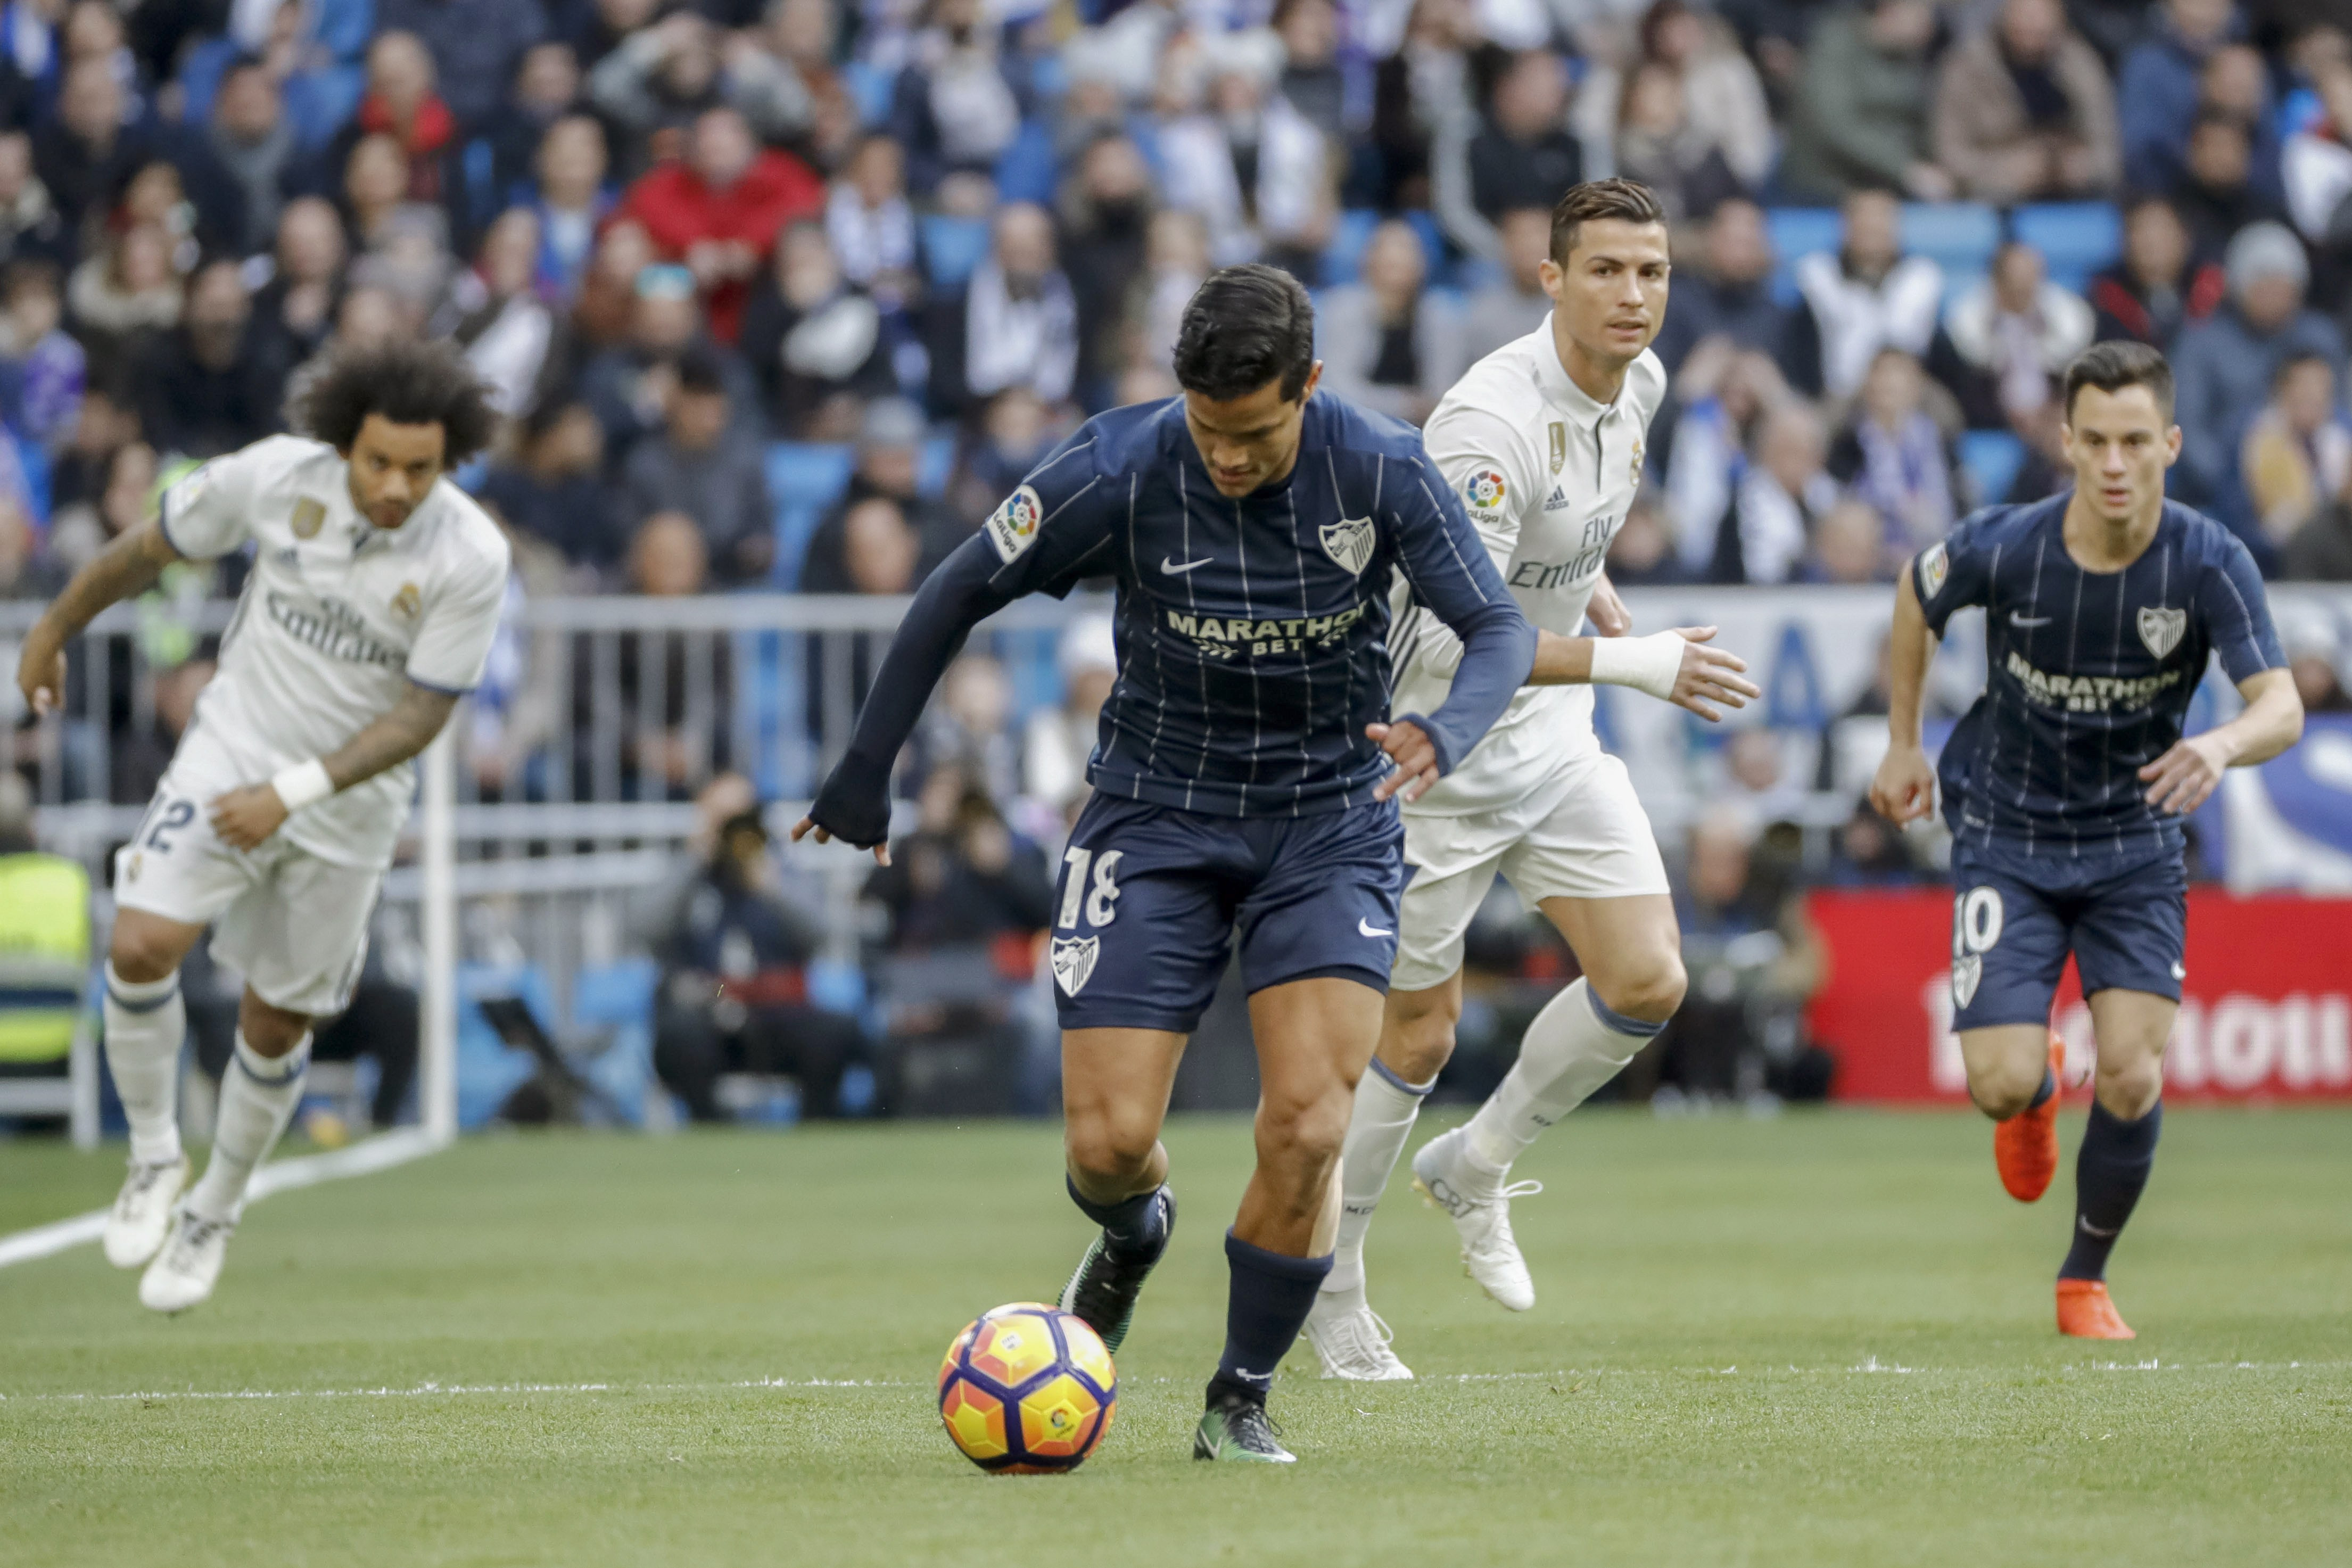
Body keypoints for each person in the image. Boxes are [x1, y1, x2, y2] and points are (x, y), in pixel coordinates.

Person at [793, 262, 1547, 1464]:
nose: (1227, 458)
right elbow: (954, 590)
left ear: (1307, 385)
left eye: (1251, 434)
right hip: (1151, 817)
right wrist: (862, 770)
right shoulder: (1120, 464)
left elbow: (1499, 626)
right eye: (1208, 430)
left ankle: (1237, 1395)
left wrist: (1446, 731)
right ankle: (1135, 1235)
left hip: (1327, 823)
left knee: (1306, 1127)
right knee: (1102, 1147)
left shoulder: (1383, 468)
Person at [1303, 179, 1759, 1381]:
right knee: (1417, 1028)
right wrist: (1637, 659)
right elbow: (1465, 639)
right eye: (1604, 270)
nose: (1632, 294)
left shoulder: (1644, 384)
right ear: (1549, 278)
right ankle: (1334, 1282)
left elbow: (1564, 547)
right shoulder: (1486, 424)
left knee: (1649, 976)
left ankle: (1478, 1161)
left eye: (1651, 272)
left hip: (1551, 735)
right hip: (1433, 747)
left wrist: (1595, 593)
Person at [12, 340, 508, 1314]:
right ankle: (154, 1156)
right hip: (232, 750)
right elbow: (146, 549)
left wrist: (295, 792)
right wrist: (50, 629)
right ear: (342, 443)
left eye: (421, 467)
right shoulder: (273, 477)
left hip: (348, 807)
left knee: (278, 1020)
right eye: (379, 463)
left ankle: (213, 1213)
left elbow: (422, 713)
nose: (398, 486)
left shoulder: (470, 554)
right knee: (143, 940)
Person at [1869, 341, 2303, 1341]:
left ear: (2169, 443)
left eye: (2134, 442)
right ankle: (2028, 1096)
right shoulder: (2006, 544)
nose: (2113, 463)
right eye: (2094, 441)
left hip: (2133, 844)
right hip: (2005, 833)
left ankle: (2082, 1279)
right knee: (1997, 1083)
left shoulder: (2205, 560)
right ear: (2064, 441)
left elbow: (2276, 703)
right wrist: (1901, 743)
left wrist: (2220, 743)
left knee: (2132, 1071)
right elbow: (1913, 592)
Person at [651, 804, 865, 1121]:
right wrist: (695, 861)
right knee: (679, 1035)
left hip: (774, 1004)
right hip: (713, 1000)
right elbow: (647, 930)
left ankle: (816, 1134)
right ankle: (710, 1132)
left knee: (833, 1033)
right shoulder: (694, 885)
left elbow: (820, 935)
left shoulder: (778, 874)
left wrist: (772, 887)